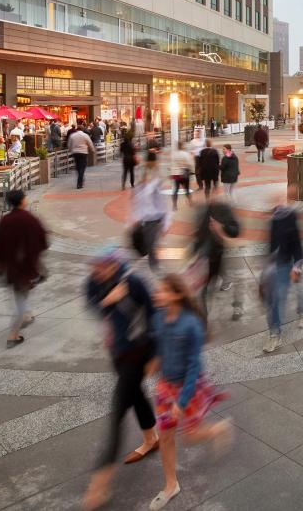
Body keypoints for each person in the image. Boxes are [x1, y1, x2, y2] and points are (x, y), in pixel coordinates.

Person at [147, 274, 233, 511]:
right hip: (165, 387)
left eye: (162, 290)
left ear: (176, 294)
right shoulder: (157, 318)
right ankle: (170, 485)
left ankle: (217, 429)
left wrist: (182, 401)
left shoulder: (191, 325)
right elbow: (159, 349)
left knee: (189, 436)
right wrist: (152, 365)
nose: (157, 294)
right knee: (165, 436)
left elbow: (194, 365)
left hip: (189, 388)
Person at [82, 249, 158, 510]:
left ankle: (99, 486)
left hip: (138, 353)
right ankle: (151, 439)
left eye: (102, 267)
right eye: (95, 267)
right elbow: (90, 304)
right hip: (117, 353)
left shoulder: (134, 282)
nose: (97, 271)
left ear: (114, 265)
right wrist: (107, 300)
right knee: (136, 397)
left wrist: (154, 357)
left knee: (117, 414)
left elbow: (154, 316)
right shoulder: (93, 280)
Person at [0, 190, 49, 348]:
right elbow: (43, 241)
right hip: (26, 268)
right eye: (25, 198)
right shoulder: (29, 219)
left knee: (21, 296)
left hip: (11, 268)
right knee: (20, 302)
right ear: (21, 201)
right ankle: (13, 335)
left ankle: (26, 316)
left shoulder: (5, 221)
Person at [263, 188, 303, 352]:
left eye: (280, 199)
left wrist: (296, 268)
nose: (277, 203)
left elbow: (297, 245)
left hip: (287, 264)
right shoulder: (273, 219)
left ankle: (276, 334)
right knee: (270, 301)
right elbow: (271, 245)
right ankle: (274, 331)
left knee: (280, 299)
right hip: (272, 265)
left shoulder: (291, 217)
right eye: (275, 200)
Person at [192, 199, 241, 325]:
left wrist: (220, 227)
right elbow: (200, 233)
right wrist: (194, 252)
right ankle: (203, 321)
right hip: (210, 259)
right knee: (204, 289)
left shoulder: (223, 208)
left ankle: (237, 307)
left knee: (232, 281)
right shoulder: (204, 208)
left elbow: (235, 230)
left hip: (224, 256)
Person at [129, 151, 168, 272]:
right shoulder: (147, 174)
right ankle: (152, 265)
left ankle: (153, 264)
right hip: (147, 216)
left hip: (153, 216)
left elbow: (160, 201)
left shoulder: (152, 176)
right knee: (148, 242)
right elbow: (139, 196)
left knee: (151, 242)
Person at [68, 124, 97, 190]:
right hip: (83, 153)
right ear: (83, 129)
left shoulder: (72, 135)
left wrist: (71, 150)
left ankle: (80, 178)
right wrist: (92, 150)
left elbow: (69, 145)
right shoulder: (85, 135)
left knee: (78, 167)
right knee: (82, 167)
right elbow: (90, 143)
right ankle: (79, 183)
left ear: (77, 129)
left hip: (75, 153)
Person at [170, 142, 195, 209]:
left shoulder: (174, 155)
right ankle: (190, 202)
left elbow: (172, 165)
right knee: (186, 189)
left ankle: (174, 205)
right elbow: (190, 163)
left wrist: (171, 173)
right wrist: (192, 170)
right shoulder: (185, 154)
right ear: (182, 146)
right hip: (184, 173)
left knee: (175, 190)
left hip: (176, 174)